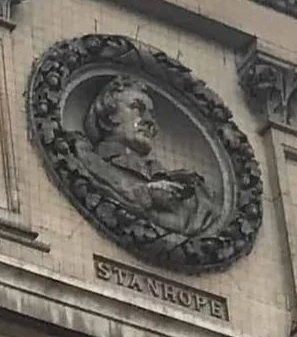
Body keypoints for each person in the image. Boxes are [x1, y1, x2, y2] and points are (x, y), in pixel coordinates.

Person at [79, 77, 222, 243]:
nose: (149, 121)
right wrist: (148, 193)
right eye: (136, 108)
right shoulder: (89, 159)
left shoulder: (180, 183)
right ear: (109, 115)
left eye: (151, 114)